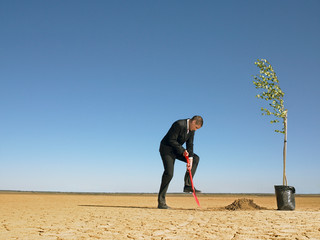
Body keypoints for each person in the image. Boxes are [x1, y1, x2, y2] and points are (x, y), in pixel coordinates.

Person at [158, 115, 203, 209]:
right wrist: (182, 150)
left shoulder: (192, 130)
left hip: (177, 150)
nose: (196, 130)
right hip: (167, 149)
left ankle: (188, 185)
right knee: (169, 173)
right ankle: (161, 202)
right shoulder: (178, 124)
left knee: (195, 158)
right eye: (196, 127)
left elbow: (190, 144)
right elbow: (171, 140)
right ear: (193, 122)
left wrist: (190, 158)